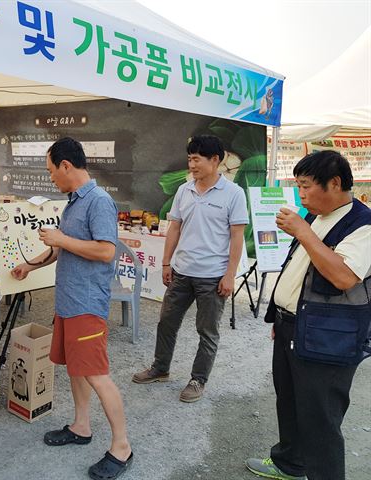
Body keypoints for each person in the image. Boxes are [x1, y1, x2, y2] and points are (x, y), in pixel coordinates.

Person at [11, 137, 133, 480]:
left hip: (86, 303)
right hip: (68, 301)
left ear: (67, 166)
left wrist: (61, 240)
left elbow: (107, 251)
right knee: (76, 369)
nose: (51, 178)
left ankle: (121, 446)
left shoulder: (98, 202)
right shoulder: (74, 202)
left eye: (52, 171)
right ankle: (81, 426)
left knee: (95, 373)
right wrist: (31, 265)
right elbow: (63, 248)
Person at [246, 151, 371, 480]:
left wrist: (303, 231)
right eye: (298, 187)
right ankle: (290, 464)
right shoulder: (316, 216)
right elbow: (300, 269)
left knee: (320, 418)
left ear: (334, 183)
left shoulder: (363, 224)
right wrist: (282, 315)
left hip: (328, 335)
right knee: (288, 401)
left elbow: (343, 277)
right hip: (295, 325)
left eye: (305, 187)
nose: (300, 195)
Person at [132, 135, 248, 402]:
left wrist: (230, 274)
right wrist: (166, 262)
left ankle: (198, 380)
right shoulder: (185, 190)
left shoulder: (234, 193)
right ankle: (160, 368)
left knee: (207, 331)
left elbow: (236, 236)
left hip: (213, 276)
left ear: (215, 160)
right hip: (182, 272)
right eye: (189, 159)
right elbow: (175, 227)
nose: (192, 165)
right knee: (166, 323)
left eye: (197, 159)